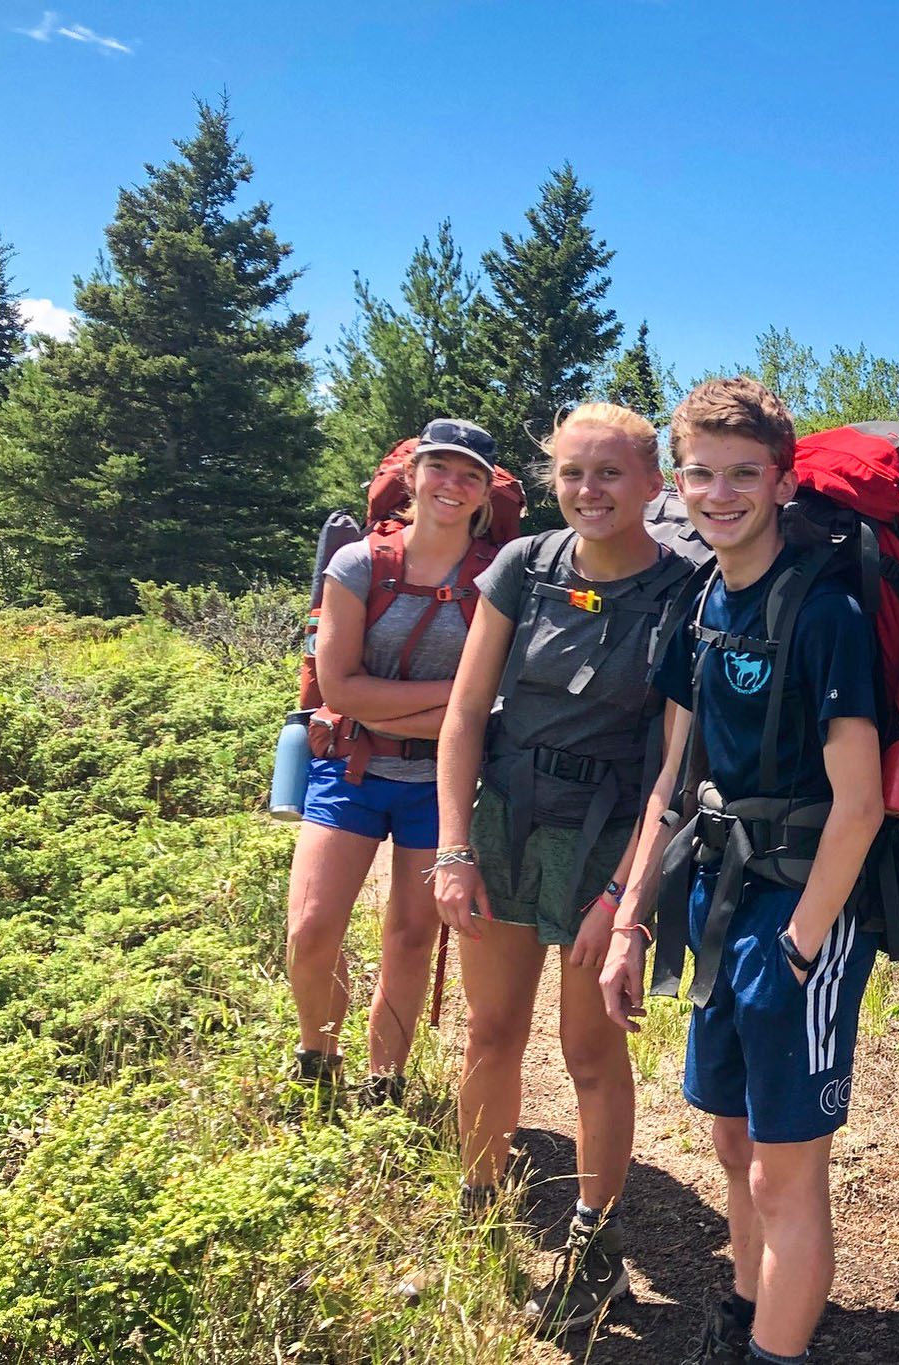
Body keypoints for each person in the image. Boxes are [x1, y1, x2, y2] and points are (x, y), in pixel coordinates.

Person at [599, 376, 884, 1365]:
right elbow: (668, 784)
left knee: (784, 1171)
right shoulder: (702, 602)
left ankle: (777, 1351)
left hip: (802, 908)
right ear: (680, 482)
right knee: (729, 1140)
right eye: (701, 475)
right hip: (718, 902)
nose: (719, 494)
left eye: (741, 475)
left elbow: (862, 803)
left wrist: (803, 942)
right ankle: (746, 1309)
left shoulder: (825, 615)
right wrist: (632, 918)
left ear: (780, 478)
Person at [432, 402, 696, 1335]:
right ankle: (480, 1214)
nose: (589, 491)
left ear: (653, 484)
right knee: (490, 1030)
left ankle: (594, 1246)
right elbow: (465, 714)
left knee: (590, 1050)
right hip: (507, 818)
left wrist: (626, 896)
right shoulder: (524, 565)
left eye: (611, 473)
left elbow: (675, 765)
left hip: (607, 836)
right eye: (574, 473)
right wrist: (455, 847)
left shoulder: (688, 591)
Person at [286, 417, 502, 1108]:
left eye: (470, 474)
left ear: (484, 495)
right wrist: (459, 698)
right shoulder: (358, 564)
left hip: (438, 782)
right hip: (349, 766)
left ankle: (385, 1084)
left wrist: (412, 709)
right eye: (440, 467)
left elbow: (495, 708)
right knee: (311, 930)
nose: (452, 483)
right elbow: (341, 688)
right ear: (411, 475)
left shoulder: (498, 580)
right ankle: (317, 1052)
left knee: (410, 939)